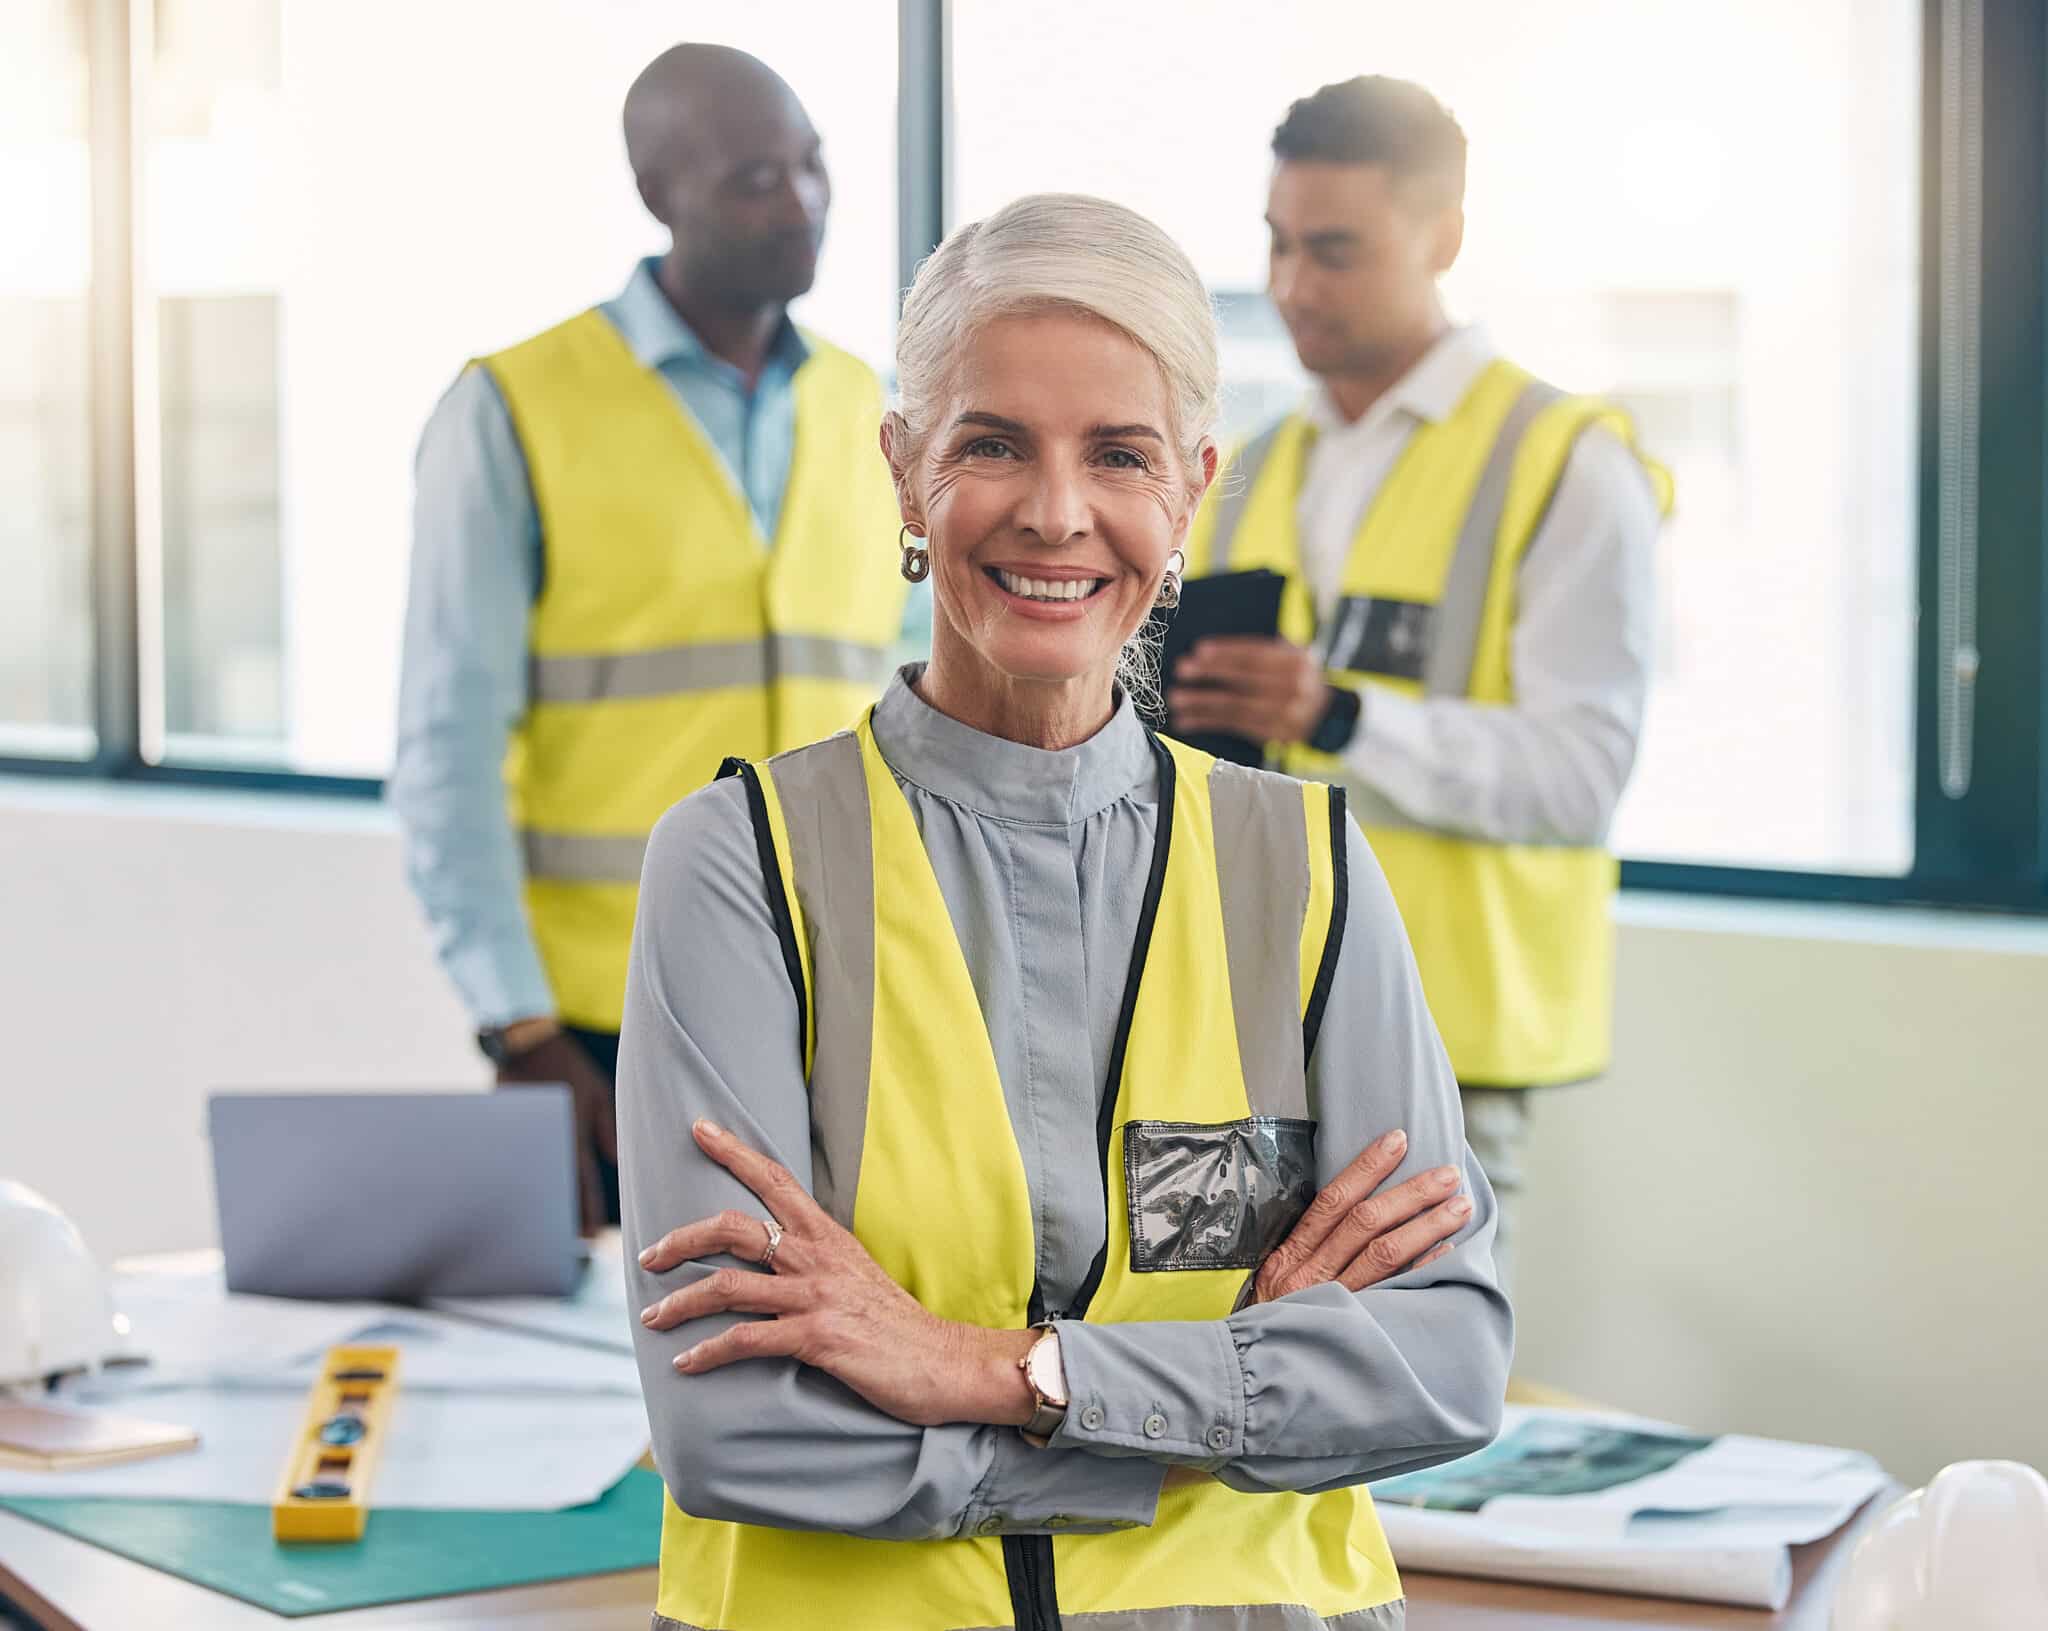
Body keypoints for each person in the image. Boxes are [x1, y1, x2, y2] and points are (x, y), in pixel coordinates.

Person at [619, 194, 1509, 1631]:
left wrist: (1001, 1371)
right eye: (990, 444)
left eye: (1119, 453)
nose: (1054, 511)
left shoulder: (1306, 862)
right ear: (905, 471)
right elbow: (736, 1428)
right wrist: (1226, 1409)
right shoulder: (742, 864)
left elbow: (1443, 1364)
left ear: (1191, 489)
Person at [389, 45, 908, 1231]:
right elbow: (446, 744)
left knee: (829, 1373)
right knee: (605, 1379)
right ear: (654, 191)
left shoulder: (867, 409)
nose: (800, 203)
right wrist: (517, 1027)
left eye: (814, 167)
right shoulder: (513, 409)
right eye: (753, 178)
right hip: (604, 1019)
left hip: (843, 1005)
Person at [1169, 78, 1671, 1286]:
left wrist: (1333, 714)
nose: (1292, 286)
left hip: (1444, 1051)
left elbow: (1577, 774)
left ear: (1440, 237)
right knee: (1219, 1393)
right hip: (1235, 1035)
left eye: (1333, 251)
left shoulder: (1561, 463)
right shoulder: (1251, 465)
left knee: (1420, 1417)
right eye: (1279, 246)